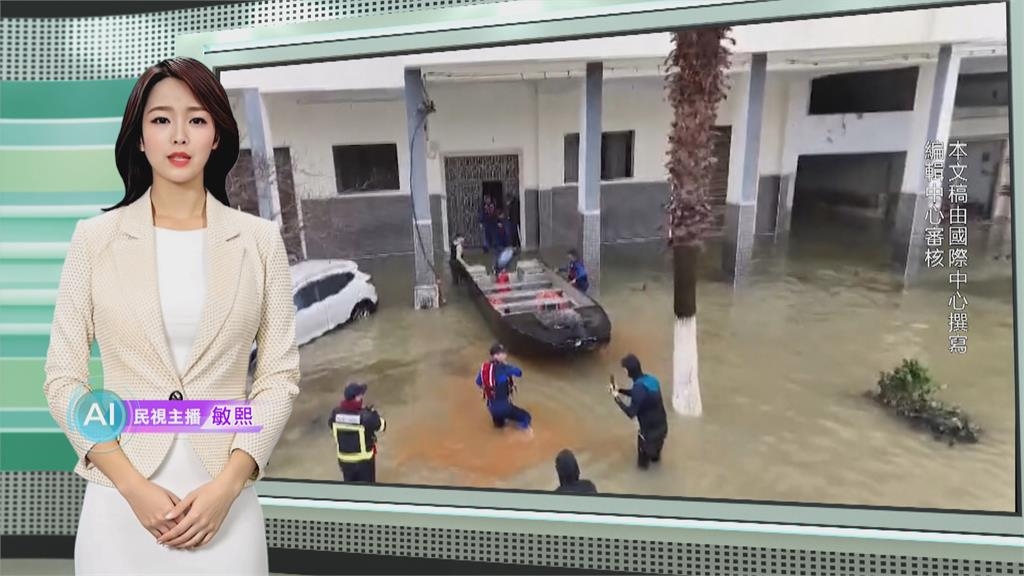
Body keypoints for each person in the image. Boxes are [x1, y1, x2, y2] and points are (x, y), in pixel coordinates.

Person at [43, 58, 300, 575]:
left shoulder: (259, 241)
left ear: (216, 137)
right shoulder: (95, 241)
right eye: (161, 119)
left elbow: (278, 378)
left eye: (197, 119)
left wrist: (227, 487)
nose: (179, 134)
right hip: (120, 508)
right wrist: (132, 486)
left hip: (225, 507)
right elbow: (62, 379)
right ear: (140, 138)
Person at [609, 354, 668, 469]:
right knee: (655, 459)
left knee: (642, 467)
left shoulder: (638, 389)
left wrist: (616, 398)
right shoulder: (652, 380)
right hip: (662, 429)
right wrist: (620, 390)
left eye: (624, 369)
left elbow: (631, 413)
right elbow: (640, 396)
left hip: (647, 434)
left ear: (628, 371)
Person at [328, 383, 386, 483]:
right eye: (361, 395)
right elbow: (382, 426)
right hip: (364, 463)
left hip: (344, 462)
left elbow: (331, 425)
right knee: (368, 492)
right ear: (357, 398)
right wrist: (373, 413)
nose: (362, 396)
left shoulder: (335, 413)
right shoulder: (366, 416)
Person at [476, 343, 532, 432]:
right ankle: (524, 436)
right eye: (503, 353)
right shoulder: (505, 368)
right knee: (526, 416)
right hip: (505, 407)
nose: (506, 355)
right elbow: (519, 373)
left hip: (492, 409)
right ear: (496, 355)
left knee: (499, 428)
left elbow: (478, 382)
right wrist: (506, 365)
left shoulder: (484, 369)